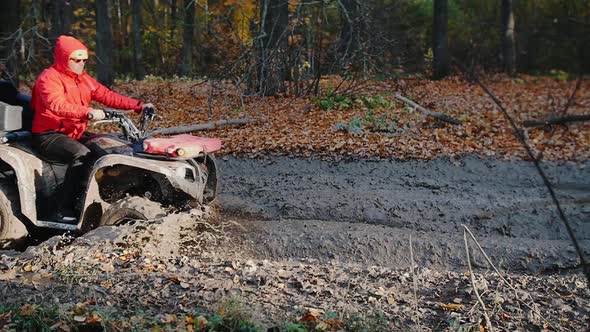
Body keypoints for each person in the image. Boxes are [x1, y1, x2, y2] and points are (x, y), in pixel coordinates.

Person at [31, 35, 154, 221]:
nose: (81, 64)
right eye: (76, 59)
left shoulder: (83, 79)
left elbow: (107, 95)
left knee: (107, 151)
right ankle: (63, 209)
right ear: (64, 57)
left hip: (74, 132)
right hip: (49, 133)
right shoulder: (48, 79)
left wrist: (139, 105)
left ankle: (106, 198)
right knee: (81, 155)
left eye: (84, 60)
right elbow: (55, 104)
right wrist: (87, 112)